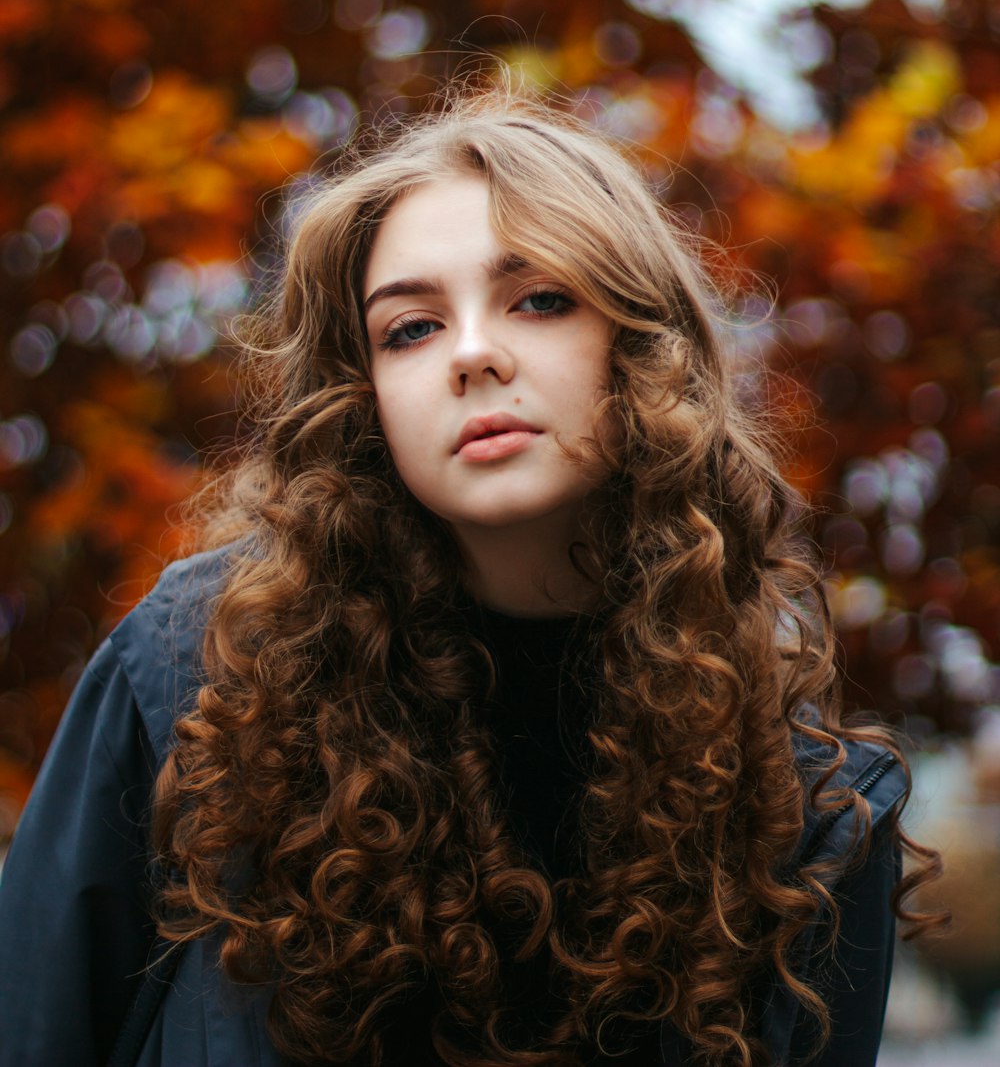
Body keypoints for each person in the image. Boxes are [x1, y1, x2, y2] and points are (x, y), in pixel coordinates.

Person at [0, 84, 939, 1067]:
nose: (474, 355)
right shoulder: (194, 683)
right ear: (363, 397)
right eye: (409, 329)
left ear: (641, 345)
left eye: (538, 300)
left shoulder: (806, 807)